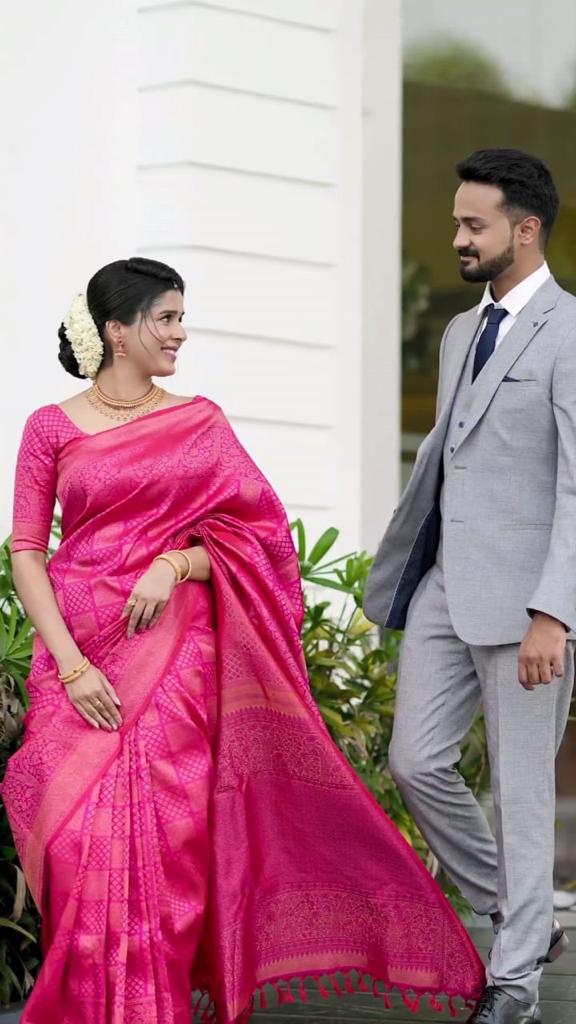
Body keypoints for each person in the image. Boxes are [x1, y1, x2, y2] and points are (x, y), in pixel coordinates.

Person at [3, 257, 483, 1024]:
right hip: (78, 653)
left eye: (181, 317)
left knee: (166, 844)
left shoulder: (199, 422)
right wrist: (70, 663)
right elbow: (27, 550)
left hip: (174, 654)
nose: (180, 333)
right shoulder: (50, 428)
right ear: (116, 331)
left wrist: (176, 560)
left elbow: (260, 536)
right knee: (72, 839)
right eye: (165, 318)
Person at [364, 149, 576, 1024]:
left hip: (532, 604)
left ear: (525, 230)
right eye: (457, 221)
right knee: (414, 761)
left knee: (522, 795)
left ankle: (516, 982)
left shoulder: (570, 331)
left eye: (472, 224)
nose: (457, 237)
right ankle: (522, 912)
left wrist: (554, 612)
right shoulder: (458, 332)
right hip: (445, 591)